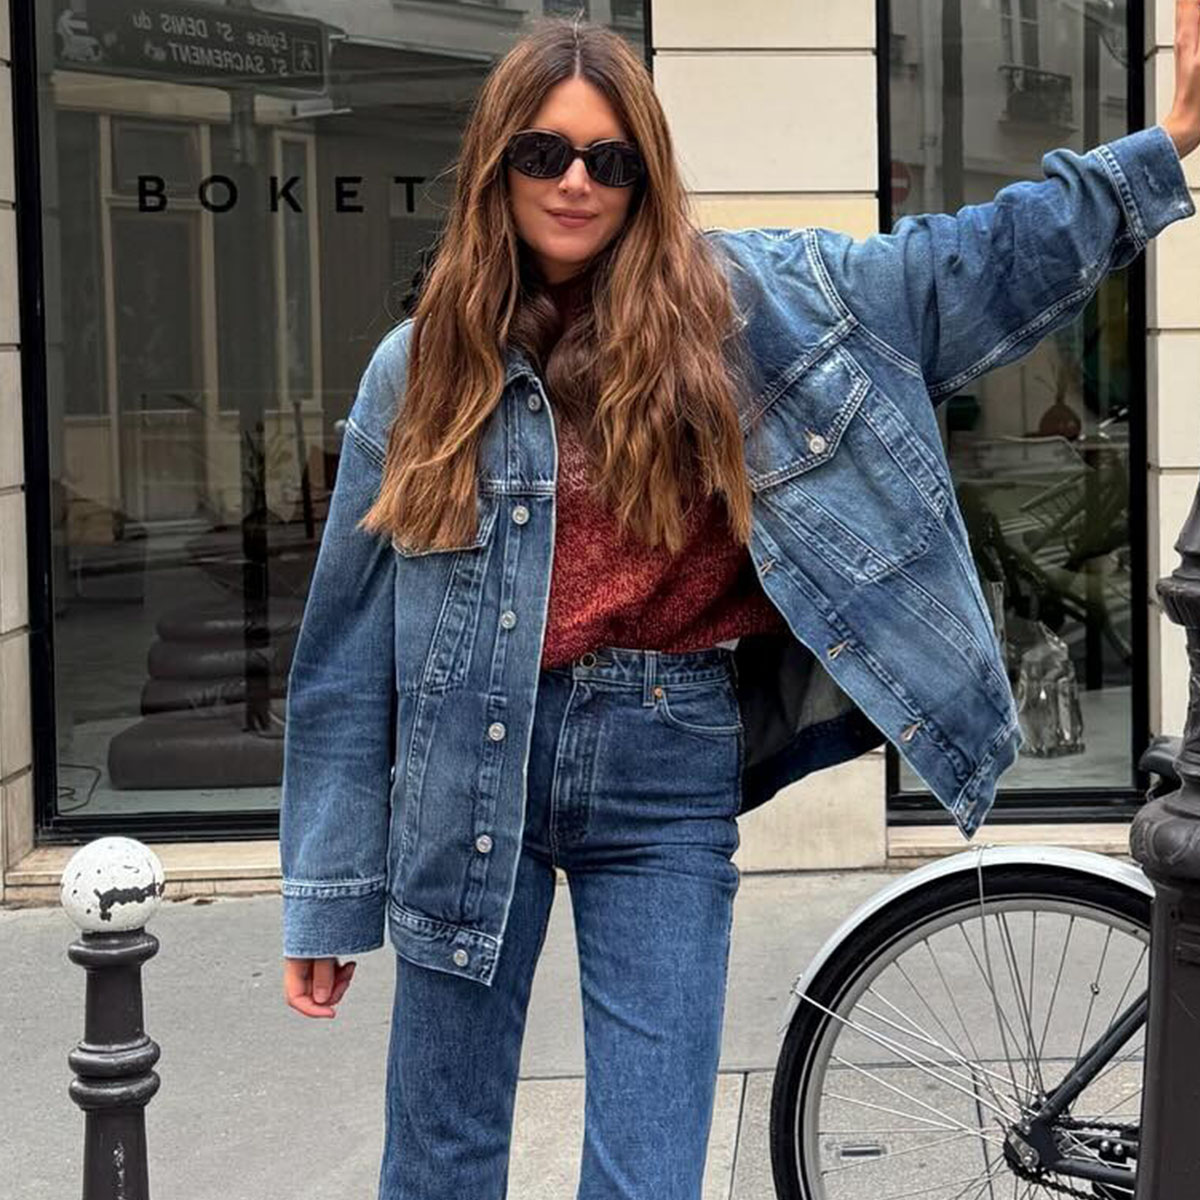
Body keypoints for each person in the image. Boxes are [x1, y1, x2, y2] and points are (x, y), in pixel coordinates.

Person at [280, 11, 1200, 1199]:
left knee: (649, 1167)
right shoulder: (420, 370)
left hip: (664, 762)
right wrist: (325, 893)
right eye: (544, 153)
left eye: (609, 158)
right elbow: (348, 651)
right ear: (495, 165)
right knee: (439, 1156)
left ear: (646, 173)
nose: (575, 181)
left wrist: (1168, 141)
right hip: (468, 764)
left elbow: (967, 261)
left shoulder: (755, 310)